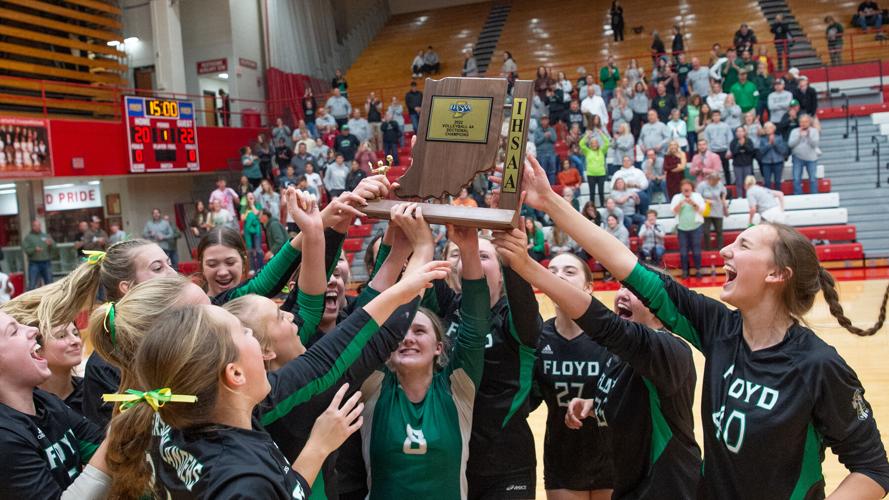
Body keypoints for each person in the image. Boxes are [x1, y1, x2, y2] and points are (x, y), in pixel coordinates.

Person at [504, 156, 889, 499]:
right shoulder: (720, 328)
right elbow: (626, 265)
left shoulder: (817, 364)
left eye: (743, 245)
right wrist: (549, 201)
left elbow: (873, 470)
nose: (725, 251)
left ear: (776, 274)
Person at [358, 216, 492, 499]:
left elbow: (475, 327)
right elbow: (361, 326)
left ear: (439, 348)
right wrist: (398, 249)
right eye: (400, 333)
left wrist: (469, 249)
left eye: (419, 331)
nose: (408, 338)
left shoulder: (457, 389)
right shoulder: (374, 388)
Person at [0, 311, 112, 498]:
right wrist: (117, 433)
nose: (33, 330)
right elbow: (109, 449)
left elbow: (104, 450)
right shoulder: (4, 438)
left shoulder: (46, 402)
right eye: (13, 331)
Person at [670, 179, 705, 278]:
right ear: (681, 188)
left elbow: (702, 210)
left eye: (688, 186)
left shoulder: (697, 196)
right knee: (683, 252)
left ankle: (698, 270)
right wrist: (680, 204)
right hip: (682, 229)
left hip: (696, 227)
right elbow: (673, 211)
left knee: (696, 251)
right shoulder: (677, 197)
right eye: (684, 186)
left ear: (691, 188)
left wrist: (693, 203)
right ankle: (685, 271)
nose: (686, 188)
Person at [697, 171, 729, 254]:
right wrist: (706, 200)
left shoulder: (719, 184)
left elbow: (724, 192)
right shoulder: (702, 185)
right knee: (706, 231)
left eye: (717, 181)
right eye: (714, 181)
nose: (716, 183)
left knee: (719, 231)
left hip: (718, 210)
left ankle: (721, 249)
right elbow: (697, 197)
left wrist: (723, 200)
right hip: (706, 210)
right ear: (709, 179)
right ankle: (708, 249)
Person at [788, 114, 820, 195]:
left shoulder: (814, 131)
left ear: (809, 122)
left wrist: (809, 136)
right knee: (796, 178)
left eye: (805, 122)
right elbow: (790, 144)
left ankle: (815, 196)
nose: (803, 124)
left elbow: (814, 144)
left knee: (813, 178)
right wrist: (799, 136)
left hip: (811, 158)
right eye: (801, 122)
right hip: (797, 157)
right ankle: (798, 196)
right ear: (799, 123)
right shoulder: (794, 131)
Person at [580, 129, 610, 206]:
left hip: (601, 174)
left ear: (598, 144)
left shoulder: (602, 151)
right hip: (591, 174)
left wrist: (601, 134)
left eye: (595, 143)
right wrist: (587, 136)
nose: (594, 144)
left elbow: (607, 143)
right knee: (592, 192)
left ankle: (602, 206)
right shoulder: (587, 151)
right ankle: (591, 207)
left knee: (601, 192)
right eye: (592, 143)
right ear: (590, 144)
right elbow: (581, 144)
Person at [703, 110, 733, 184]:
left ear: (720, 116)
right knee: (714, 170)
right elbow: (707, 140)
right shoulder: (708, 127)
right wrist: (709, 152)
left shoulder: (725, 126)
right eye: (714, 116)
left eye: (717, 115)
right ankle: (714, 183)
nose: (716, 117)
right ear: (712, 117)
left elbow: (730, 138)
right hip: (713, 151)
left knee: (726, 169)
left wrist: (729, 150)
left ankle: (728, 183)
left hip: (724, 150)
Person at [757, 121, 789, 190]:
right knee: (767, 182)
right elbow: (761, 151)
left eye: (769, 128)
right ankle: (767, 195)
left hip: (778, 162)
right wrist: (769, 144)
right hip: (766, 163)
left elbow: (783, 150)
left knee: (777, 182)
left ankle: (778, 195)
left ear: (773, 129)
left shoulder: (779, 137)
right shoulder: (762, 139)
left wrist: (774, 143)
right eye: (766, 128)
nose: (767, 129)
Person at [23, 219, 53, 290]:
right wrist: (34, 249)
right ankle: (31, 297)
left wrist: (50, 244)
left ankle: (49, 297)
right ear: (32, 227)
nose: (37, 227)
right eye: (35, 226)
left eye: (39, 225)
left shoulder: (46, 236)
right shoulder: (28, 237)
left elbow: (54, 248)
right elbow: (26, 250)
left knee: (50, 284)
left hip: (46, 262)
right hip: (34, 263)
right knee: (32, 284)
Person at [730, 126, 757, 197]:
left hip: (747, 164)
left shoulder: (749, 140)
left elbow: (751, 151)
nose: (739, 133)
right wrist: (739, 145)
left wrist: (744, 144)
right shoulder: (733, 142)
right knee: (739, 182)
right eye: (738, 131)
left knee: (748, 182)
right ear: (736, 133)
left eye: (741, 131)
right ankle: (740, 197)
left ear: (744, 132)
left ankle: (750, 196)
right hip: (737, 165)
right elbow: (733, 153)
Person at [241, 192, 264, 273]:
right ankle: (252, 268)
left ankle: (261, 267)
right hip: (247, 230)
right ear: (247, 199)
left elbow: (257, 214)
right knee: (250, 250)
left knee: (258, 249)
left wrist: (252, 205)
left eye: (252, 196)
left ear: (254, 197)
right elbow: (242, 218)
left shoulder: (258, 205)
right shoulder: (244, 207)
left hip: (256, 229)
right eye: (249, 197)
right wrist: (248, 213)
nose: (250, 198)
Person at [534, 115, 559, 184]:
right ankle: (544, 187)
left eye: (546, 119)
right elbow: (536, 142)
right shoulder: (537, 131)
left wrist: (550, 136)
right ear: (541, 121)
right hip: (541, 154)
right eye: (543, 120)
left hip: (551, 153)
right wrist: (544, 136)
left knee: (552, 171)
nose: (545, 121)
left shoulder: (551, 129)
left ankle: (552, 187)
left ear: (548, 121)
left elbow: (554, 140)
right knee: (543, 171)